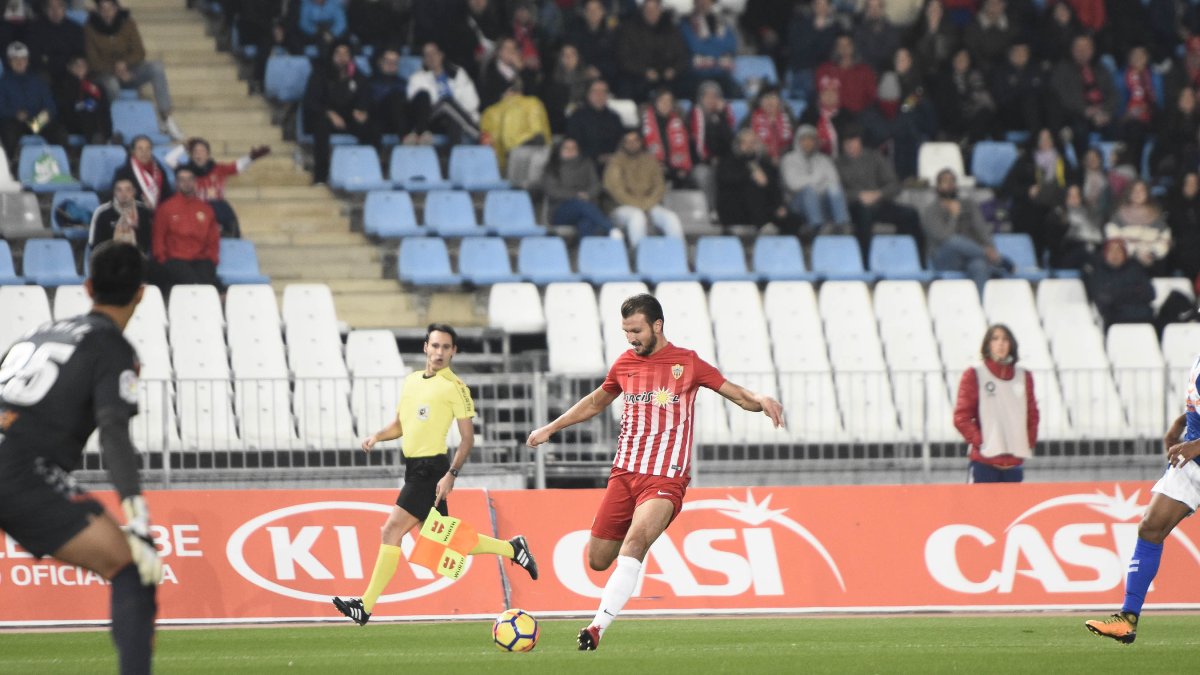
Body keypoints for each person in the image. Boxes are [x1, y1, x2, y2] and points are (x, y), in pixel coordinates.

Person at [525, 293, 785, 650]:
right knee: (598, 560)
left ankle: (597, 627)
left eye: (636, 330)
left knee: (634, 543)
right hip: (624, 474)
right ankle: (623, 579)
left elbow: (737, 395)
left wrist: (761, 399)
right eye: (626, 331)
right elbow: (596, 402)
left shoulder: (687, 363)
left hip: (666, 477)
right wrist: (551, 428)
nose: (631, 338)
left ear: (657, 326)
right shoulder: (624, 364)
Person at [0, 241, 162, 674]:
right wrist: (137, 513)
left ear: (88, 287)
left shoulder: (40, 332)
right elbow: (113, 430)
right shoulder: (112, 347)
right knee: (131, 566)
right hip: (18, 470)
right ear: (141, 293)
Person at [333, 324, 539, 626]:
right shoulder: (412, 381)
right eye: (435, 346)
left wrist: (451, 474)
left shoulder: (455, 387)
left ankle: (365, 606)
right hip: (413, 468)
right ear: (425, 348)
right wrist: (377, 436)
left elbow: (467, 439)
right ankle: (512, 548)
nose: (439, 352)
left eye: (446, 347)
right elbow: (401, 425)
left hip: (432, 471)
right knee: (443, 539)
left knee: (390, 531)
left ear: (453, 351)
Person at [1084, 368, 1200, 643]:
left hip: (1194, 451)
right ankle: (1127, 619)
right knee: (1150, 528)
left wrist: (1197, 444)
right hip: (1191, 463)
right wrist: (1181, 424)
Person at [84, 0, 184, 141]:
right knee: (112, 85)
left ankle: (165, 116)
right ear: (98, 10)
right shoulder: (90, 27)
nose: (107, 13)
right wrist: (115, 69)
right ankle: (114, 124)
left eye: (110, 8)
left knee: (156, 67)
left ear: (116, 8)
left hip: (129, 71)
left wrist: (126, 64)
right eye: (103, 9)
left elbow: (139, 52)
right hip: (104, 74)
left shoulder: (127, 23)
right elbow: (93, 60)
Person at [952, 323, 1039, 483]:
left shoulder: (1024, 376)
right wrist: (982, 441)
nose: (1000, 343)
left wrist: (1028, 441)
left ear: (1011, 344)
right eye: (995, 339)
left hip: (1014, 464)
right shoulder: (974, 375)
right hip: (983, 464)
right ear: (988, 344)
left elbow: (1032, 415)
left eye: (1005, 339)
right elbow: (961, 417)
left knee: (1014, 509)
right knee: (978, 509)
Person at [836, 125, 922, 263]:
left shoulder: (875, 158)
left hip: (879, 203)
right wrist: (859, 196)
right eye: (847, 143)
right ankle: (865, 262)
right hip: (853, 207)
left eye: (853, 142)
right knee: (864, 215)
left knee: (910, 214)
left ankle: (912, 259)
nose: (850, 146)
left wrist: (878, 194)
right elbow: (836, 191)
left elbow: (894, 185)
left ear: (860, 142)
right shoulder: (838, 163)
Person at [303, 41, 378, 185]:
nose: (342, 57)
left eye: (346, 54)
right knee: (321, 126)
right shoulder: (320, 74)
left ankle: (368, 172)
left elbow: (366, 97)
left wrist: (363, 111)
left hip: (348, 118)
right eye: (339, 53)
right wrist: (330, 114)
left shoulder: (357, 75)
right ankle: (320, 176)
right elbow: (311, 102)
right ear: (332, 55)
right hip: (325, 117)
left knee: (373, 127)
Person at [164, 138, 270, 238]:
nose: (198, 154)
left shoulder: (218, 169)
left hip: (217, 212)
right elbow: (169, 159)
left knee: (221, 208)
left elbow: (237, 166)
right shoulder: (185, 171)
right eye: (195, 151)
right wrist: (184, 146)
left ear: (208, 155)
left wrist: (251, 157)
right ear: (191, 155)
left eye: (202, 151)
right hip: (193, 213)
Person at [922, 168, 1009, 290]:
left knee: (979, 266)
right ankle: (998, 261)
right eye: (945, 182)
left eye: (952, 181)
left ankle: (980, 305)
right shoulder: (931, 211)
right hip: (944, 258)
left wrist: (990, 246)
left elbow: (981, 228)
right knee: (954, 241)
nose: (950, 184)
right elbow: (943, 237)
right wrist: (954, 216)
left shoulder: (968, 204)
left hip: (970, 256)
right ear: (938, 186)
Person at [603, 130, 684, 245]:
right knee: (637, 216)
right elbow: (616, 191)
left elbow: (659, 187)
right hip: (621, 207)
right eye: (628, 141)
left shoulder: (650, 160)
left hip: (649, 205)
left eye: (635, 140)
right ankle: (639, 256)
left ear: (641, 142)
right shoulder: (615, 161)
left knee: (671, 218)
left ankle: (679, 256)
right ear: (623, 143)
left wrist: (647, 204)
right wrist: (641, 205)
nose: (632, 144)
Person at [152, 167, 220, 296]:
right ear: (176, 183)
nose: (186, 183)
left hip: (201, 260)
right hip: (175, 260)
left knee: (204, 272)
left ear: (195, 182)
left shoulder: (206, 209)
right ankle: (211, 295)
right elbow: (158, 239)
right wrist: (162, 259)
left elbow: (213, 240)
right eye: (182, 180)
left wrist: (212, 259)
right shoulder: (166, 208)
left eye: (189, 179)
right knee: (198, 283)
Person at [0, 41, 68, 161]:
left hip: (35, 122)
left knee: (58, 131)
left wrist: (44, 115)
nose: (20, 62)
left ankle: (62, 162)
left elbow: (50, 106)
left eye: (23, 59)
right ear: (10, 62)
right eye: (15, 59)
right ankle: (11, 165)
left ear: (27, 61)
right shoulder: (3, 82)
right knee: (8, 132)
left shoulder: (38, 80)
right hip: (15, 122)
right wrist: (15, 114)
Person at [405, 41, 481, 146]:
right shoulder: (417, 78)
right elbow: (416, 105)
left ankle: (454, 156)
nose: (431, 57)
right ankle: (478, 135)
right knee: (446, 102)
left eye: (433, 53)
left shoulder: (458, 73)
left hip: (456, 117)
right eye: (427, 55)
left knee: (453, 117)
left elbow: (473, 103)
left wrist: (456, 107)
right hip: (430, 120)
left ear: (441, 54)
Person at [781, 124, 851, 234]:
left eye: (810, 140)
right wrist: (818, 178)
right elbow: (793, 184)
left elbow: (834, 180)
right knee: (809, 191)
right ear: (798, 141)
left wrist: (813, 183)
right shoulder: (789, 159)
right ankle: (817, 227)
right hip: (797, 203)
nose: (807, 143)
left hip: (821, 199)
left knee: (834, 188)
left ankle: (842, 224)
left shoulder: (824, 160)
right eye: (804, 140)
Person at [614, 0, 689, 101]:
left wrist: (674, 70)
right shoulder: (630, 29)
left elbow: (682, 55)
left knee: (686, 83)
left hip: (667, 76)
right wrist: (644, 71)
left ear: (660, 10)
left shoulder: (671, 29)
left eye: (654, 10)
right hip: (639, 76)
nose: (651, 13)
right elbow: (624, 58)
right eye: (648, 10)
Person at [542, 137, 614, 238]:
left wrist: (588, 194)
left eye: (574, 148)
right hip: (560, 210)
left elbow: (596, 185)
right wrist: (576, 195)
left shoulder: (586, 164)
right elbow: (552, 191)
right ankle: (612, 229)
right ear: (559, 150)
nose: (570, 151)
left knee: (586, 222)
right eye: (567, 148)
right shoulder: (552, 167)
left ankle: (587, 251)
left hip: (587, 206)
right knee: (580, 204)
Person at [716, 128, 786, 229]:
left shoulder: (764, 163)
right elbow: (725, 180)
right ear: (738, 144)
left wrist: (780, 205)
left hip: (762, 207)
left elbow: (774, 186)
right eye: (745, 142)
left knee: (790, 218)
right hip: (734, 207)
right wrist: (750, 175)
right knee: (752, 188)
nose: (749, 146)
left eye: (752, 142)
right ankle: (763, 224)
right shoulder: (728, 160)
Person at [479, 80, 550, 173]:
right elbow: (539, 134)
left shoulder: (489, 112)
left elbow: (486, 142)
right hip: (532, 159)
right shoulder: (533, 103)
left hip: (499, 166)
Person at [1104, 179, 1171, 275]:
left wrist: (1151, 252)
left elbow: (1165, 239)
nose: (1138, 194)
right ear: (1129, 193)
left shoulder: (1157, 215)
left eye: (1141, 190)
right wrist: (1136, 253)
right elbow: (1113, 239)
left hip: (1153, 260)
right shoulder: (1118, 215)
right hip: (1126, 261)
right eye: (1134, 190)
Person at [1087, 238, 1155, 329]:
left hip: (1141, 313)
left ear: (1125, 254)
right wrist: (1132, 291)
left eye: (1119, 251)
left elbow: (1150, 294)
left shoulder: (1135, 269)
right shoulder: (1098, 272)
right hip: (1113, 316)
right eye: (1111, 251)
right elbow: (1103, 298)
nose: (1115, 255)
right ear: (1105, 254)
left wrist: (1120, 292)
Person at [679, 0, 740, 98]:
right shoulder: (686, 23)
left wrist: (708, 43)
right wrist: (719, 47)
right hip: (698, 75)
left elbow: (731, 45)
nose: (703, 2)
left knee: (737, 95)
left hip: (722, 73)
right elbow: (695, 47)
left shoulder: (722, 22)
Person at [52, 54, 111, 145]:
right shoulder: (62, 86)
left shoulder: (96, 86)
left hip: (93, 123)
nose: (80, 68)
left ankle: (103, 139)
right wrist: (82, 105)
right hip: (70, 122)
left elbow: (104, 108)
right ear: (69, 67)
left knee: (95, 115)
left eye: (83, 65)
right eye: (76, 65)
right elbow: (63, 108)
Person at [640, 87, 693, 188]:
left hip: (676, 168)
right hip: (652, 167)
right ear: (655, 103)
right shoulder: (644, 124)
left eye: (669, 101)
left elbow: (687, 149)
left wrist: (682, 168)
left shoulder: (680, 123)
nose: (666, 104)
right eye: (662, 100)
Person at [566, 78, 625, 167]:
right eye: (595, 91)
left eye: (603, 92)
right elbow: (573, 144)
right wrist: (596, 157)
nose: (599, 95)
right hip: (584, 164)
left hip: (612, 164)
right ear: (588, 94)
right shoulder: (577, 117)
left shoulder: (614, 118)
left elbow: (621, 142)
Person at [89, 176, 153, 254]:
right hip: (109, 259)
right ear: (114, 192)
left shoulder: (143, 211)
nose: (124, 194)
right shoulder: (102, 213)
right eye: (119, 190)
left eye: (128, 189)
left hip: (138, 259)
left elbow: (149, 242)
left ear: (134, 191)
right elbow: (94, 245)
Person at [26, 0, 85, 84]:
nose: (55, 11)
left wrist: (79, 64)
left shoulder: (75, 29)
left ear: (65, 8)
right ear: (45, 9)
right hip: (47, 71)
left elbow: (80, 53)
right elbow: (35, 57)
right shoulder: (34, 29)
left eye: (59, 6)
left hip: (70, 70)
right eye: (51, 7)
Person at [113, 134, 173, 209]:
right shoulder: (123, 173)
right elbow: (118, 199)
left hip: (160, 213)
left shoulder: (160, 170)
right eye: (140, 149)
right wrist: (141, 205)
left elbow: (167, 195)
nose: (144, 152)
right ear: (133, 151)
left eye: (148, 149)